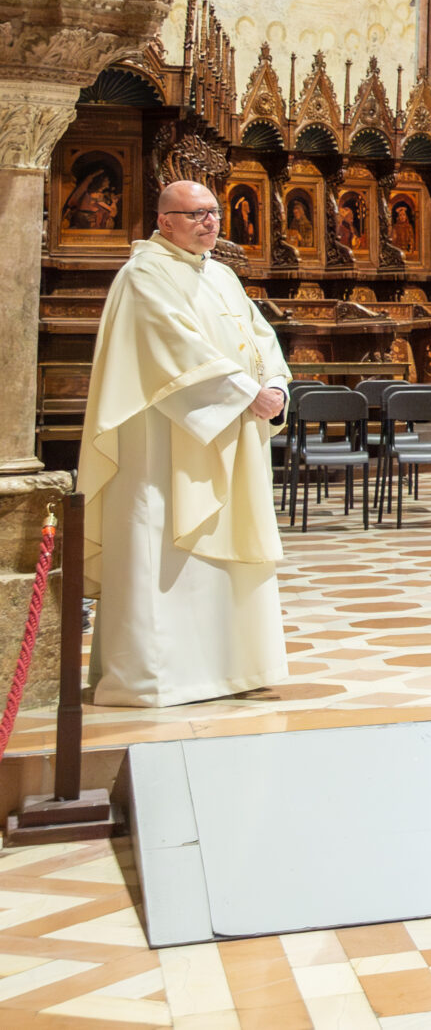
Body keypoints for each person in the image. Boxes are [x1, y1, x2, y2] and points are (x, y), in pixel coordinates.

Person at [77, 180, 290, 706]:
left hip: (230, 431)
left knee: (228, 539)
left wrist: (278, 386)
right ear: (164, 220)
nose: (209, 222)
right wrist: (246, 394)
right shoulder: (142, 274)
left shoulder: (222, 275)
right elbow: (172, 350)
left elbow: (263, 338)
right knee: (162, 540)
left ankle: (234, 666)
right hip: (164, 440)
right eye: (195, 214)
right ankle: (157, 676)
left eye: (214, 213)